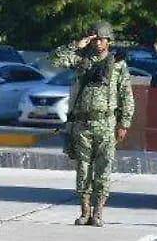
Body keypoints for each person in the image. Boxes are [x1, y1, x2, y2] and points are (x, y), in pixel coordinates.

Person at [50, 22, 134, 227]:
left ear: (109, 41)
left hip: (106, 122)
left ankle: (98, 213)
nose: (98, 42)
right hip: (83, 123)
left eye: (102, 39)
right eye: (95, 38)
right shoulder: (81, 60)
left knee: (103, 169)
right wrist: (76, 45)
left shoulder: (117, 64)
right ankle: (85, 211)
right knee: (83, 169)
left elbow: (126, 95)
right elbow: (54, 59)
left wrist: (124, 123)